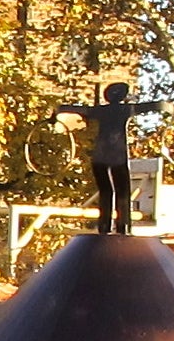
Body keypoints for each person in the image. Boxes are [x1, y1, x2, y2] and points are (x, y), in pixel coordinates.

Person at [55, 82, 165, 235]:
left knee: (106, 191)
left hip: (99, 157)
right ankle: (123, 227)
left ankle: (104, 227)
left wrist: (56, 113)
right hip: (118, 157)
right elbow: (156, 106)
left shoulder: (100, 111)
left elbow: (72, 109)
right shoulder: (126, 109)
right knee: (123, 191)